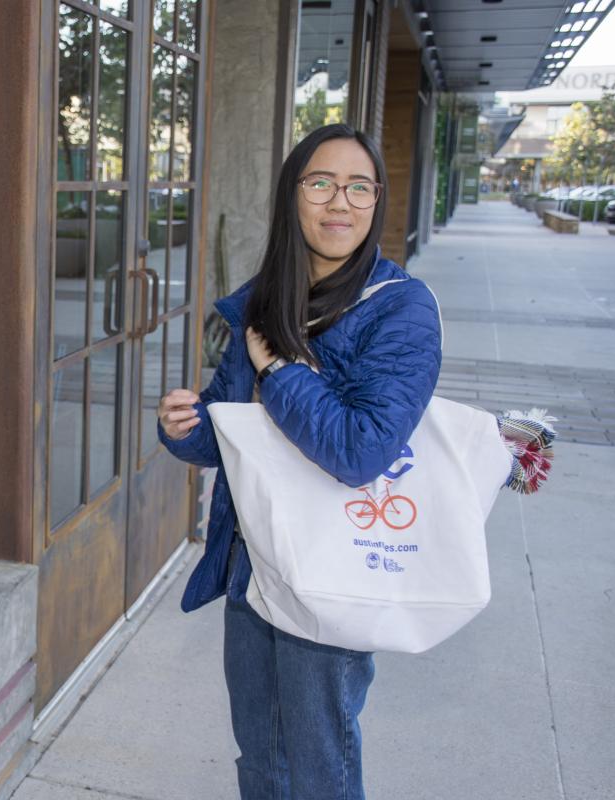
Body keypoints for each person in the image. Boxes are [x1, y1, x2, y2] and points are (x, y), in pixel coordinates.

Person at [156, 123, 442, 800]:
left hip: (329, 564)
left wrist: (279, 371)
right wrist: (184, 426)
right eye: (321, 183)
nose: (339, 202)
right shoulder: (266, 298)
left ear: (376, 202)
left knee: (318, 765)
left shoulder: (401, 311)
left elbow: (362, 450)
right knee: (260, 751)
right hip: (250, 561)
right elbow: (230, 437)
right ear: (292, 196)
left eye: (358, 187)